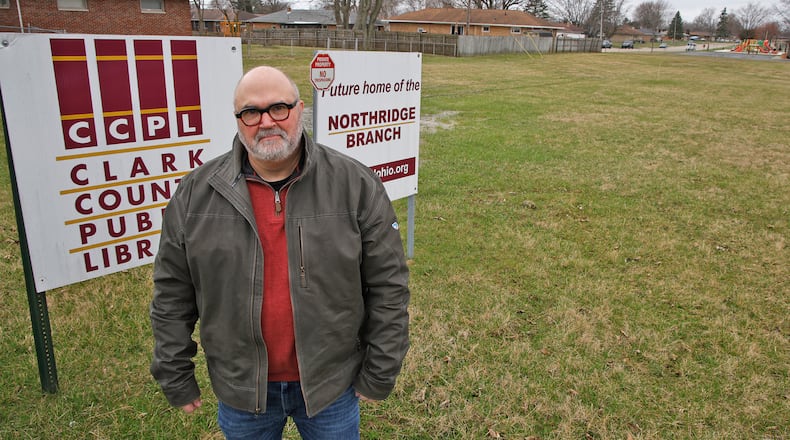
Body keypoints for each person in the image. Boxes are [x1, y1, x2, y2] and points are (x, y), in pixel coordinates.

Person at [149, 65, 410, 439]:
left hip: (330, 384)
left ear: (300, 109)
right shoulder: (196, 193)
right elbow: (172, 291)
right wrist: (174, 372)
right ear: (238, 121)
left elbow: (388, 286)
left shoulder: (354, 185)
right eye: (251, 112)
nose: (266, 121)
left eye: (279, 108)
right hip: (242, 388)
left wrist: (380, 370)